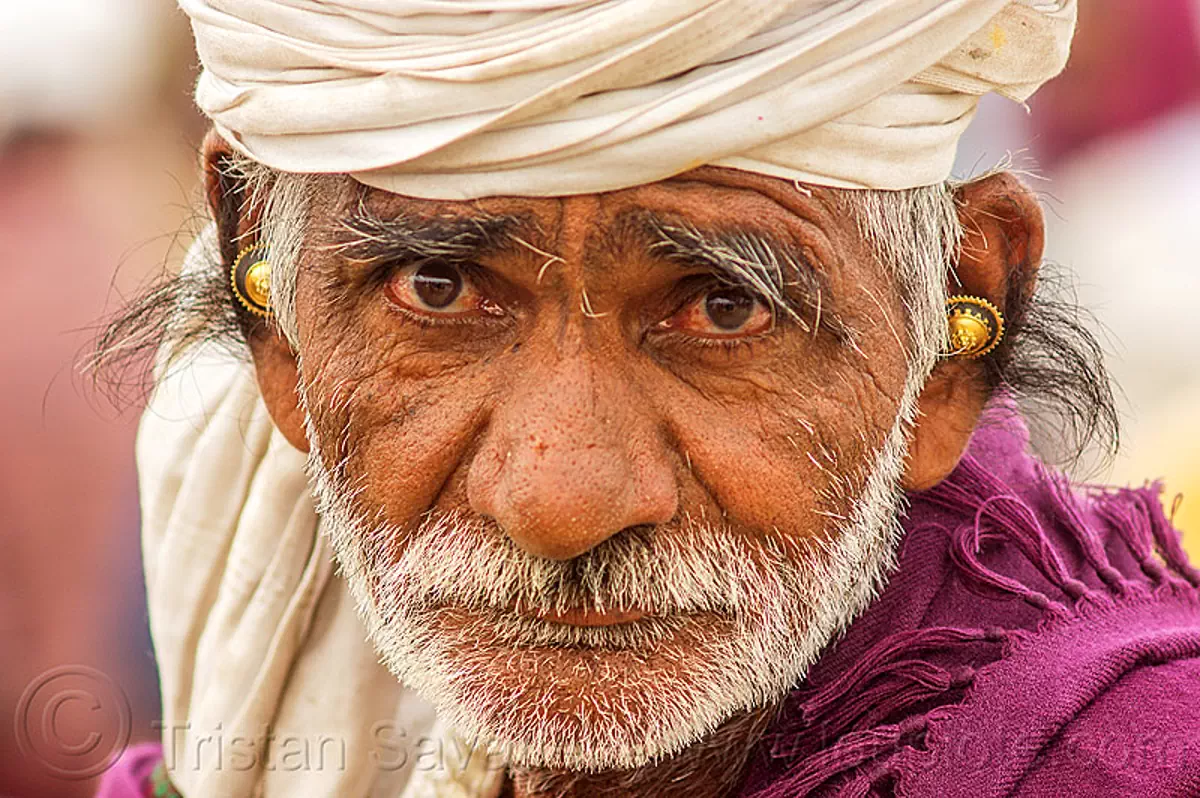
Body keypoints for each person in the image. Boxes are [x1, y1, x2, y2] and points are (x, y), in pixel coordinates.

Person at [94, 2, 1200, 796]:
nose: (561, 500)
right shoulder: (260, 717)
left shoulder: (1116, 764)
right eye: (437, 289)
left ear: (956, 330)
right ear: (271, 308)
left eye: (724, 308)